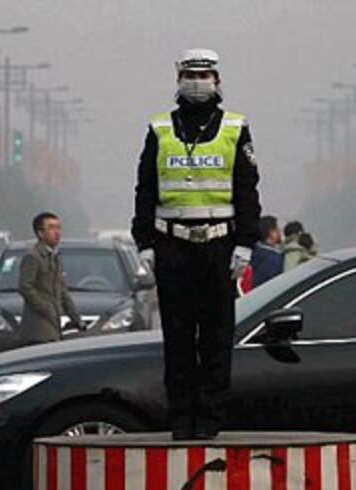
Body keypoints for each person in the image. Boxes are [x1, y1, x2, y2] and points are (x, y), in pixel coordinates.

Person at [131, 48, 261, 440]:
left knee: (218, 337)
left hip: (219, 247)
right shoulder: (160, 128)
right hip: (173, 247)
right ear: (178, 80)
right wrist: (144, 243)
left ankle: (210, 420)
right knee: (178, 338)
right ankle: (181, 419)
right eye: (190, 74)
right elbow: (145, 189)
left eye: (204, 75)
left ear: (217, 81)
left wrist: (246, 244)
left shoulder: (236, 128)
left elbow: (247, 189)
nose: (197, 81)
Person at [18, 212, 86, 346]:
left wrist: (77, 319)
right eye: (51, 228)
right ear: (40, 233)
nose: (57, 232)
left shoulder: (55, 257)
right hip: (37, 329)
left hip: (53, 326)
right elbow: (25, 286)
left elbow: (62, 291)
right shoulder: (33, 257)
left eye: (58, 228)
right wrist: (46, 308)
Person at [251, 215, 283, 287]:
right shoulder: (274, 259)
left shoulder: (253, 253)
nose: (280, 232)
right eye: (277, 229)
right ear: (271, 233)